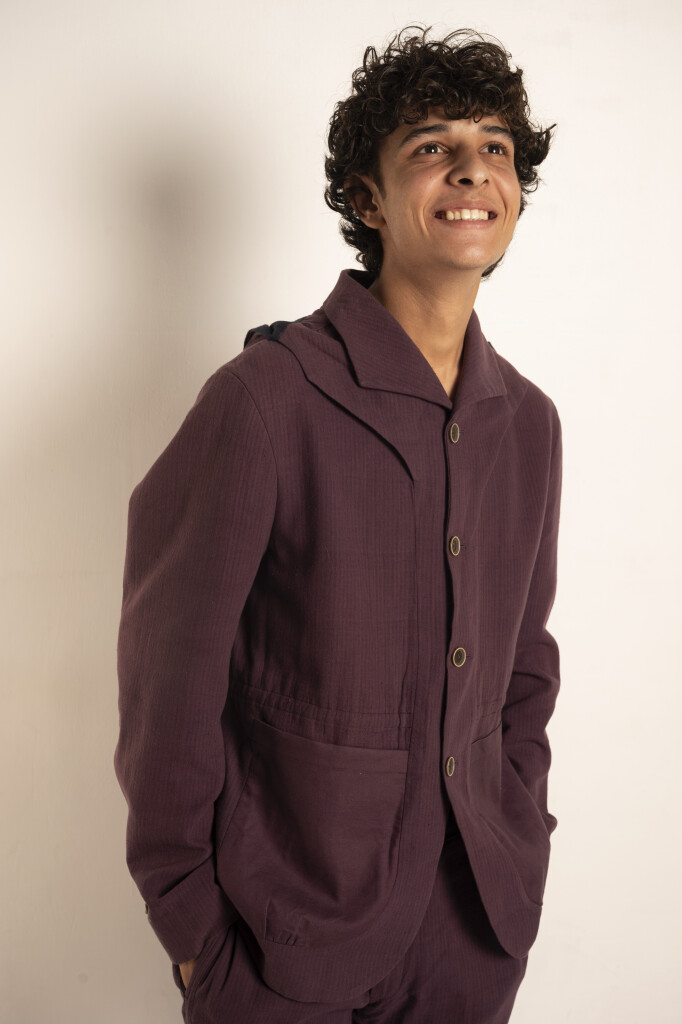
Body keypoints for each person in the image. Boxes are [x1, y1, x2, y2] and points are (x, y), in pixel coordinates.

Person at [114, 23, 562, 1024]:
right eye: (432, 146)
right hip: (281, 942)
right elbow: (169, 685)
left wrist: (520, 833)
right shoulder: (265, 400)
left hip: (469, 934)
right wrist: (192, 932)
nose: (471, 170)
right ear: (367, 199)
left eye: (494, 147)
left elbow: (524, 666)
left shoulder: (529, 423)